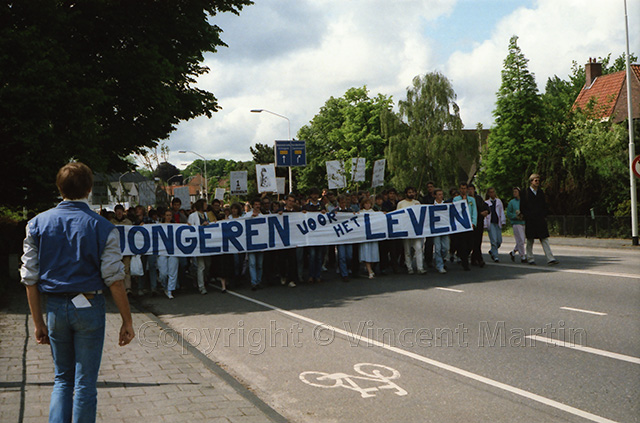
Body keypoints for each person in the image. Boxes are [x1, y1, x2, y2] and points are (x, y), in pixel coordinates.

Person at [20, 162, 134, 422]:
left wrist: (38, 322)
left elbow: (30, 278)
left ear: (59, 188)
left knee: (62, 379)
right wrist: (127, 320)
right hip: (90, 305)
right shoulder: (104, 228)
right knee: (85, 383)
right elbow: (114, 279)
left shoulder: (36, 224)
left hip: (56, 308)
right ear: (90, 189)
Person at [520, 174, 559, 265]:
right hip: (530, 220)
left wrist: (544, 214)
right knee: (530, 240)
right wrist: (527, 216)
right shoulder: (525, 193)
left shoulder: (540, 192)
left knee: (544, 239)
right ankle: (530, 258)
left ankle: (550, 258)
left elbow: (544, 205)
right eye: (535, 180)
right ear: (531, 181)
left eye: (538, 180)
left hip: (540, 219)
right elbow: (523, 207)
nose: (537, 182)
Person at [397, 186, 425, 274]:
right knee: (407, 250)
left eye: (412, 192)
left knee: (418, 248)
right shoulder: (401, 203)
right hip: (406, 229)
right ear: (406, 194)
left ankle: (420, 268)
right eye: (409, 192)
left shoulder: (417, 203)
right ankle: (409, 268)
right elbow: (397, 215)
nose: (411, 194)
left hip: (416, 230)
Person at [453, 182, 477, 271]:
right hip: (461, 225)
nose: (463, 190)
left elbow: (474, 211)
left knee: (470, 244)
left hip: (470, 224)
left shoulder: (471, 200)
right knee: (463, 244)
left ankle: (463, 256)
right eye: (462, 188)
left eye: (465, 188)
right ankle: (465, 263)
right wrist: (462, 200)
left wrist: (474, 222)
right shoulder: (456, 199)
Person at [110, 204, 134, 294]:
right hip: (115, 250)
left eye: (120, 211)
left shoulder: (128, 222)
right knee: (116, 269)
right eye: (117, 211)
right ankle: (119, 288)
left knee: (126, 269)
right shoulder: (111, 222)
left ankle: (128, 288)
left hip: (126, 250)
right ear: (115, 212)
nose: (119, 213)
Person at [187, 199, 210, 294]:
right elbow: (190, 229)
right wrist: (201, 226)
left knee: (208, 264)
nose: (206, 205)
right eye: (205, 204)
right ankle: (201, 286)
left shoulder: (206, 215)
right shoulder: (192, 216)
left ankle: (203, 279)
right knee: (201, 265)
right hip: (198, 244)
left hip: (207, 243)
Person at [158, 210, 179, 298]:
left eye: (170, 215)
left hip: (173, 251)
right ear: (164, 216)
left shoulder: (176, 226)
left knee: (173, 271)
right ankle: (164, 285)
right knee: (163, 273)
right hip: (162, 251)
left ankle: (170, 290)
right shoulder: (159, 226)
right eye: (167, 215)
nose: (168, 217)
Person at [245, 198, 265, 290]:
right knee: (252, 263)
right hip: (251, 243)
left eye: (258, 204)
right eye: (256, 204)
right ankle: (254, 282)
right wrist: (251, 217)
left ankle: (259, 280)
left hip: (260, 242)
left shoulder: (262, 216)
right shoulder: (247, 215)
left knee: (259, 264)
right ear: (253, 205)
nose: (257, 206)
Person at [358, 197, 380, 279]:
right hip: (365, 236)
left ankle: (370, 268)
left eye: (369, 203)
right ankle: (369, 271)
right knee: (366, 252)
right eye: (366, 203)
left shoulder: (374, 212)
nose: (367, 205)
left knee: (373, 252)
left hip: (373, 235)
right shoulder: (360, 213)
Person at [468, 184, 489, 267]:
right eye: (468, 189)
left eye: (471, 189)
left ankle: (476, 258)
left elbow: (485, 206)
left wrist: (486, 211)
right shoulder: (466, 199)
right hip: (471, 223)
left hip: (479, 223)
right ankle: (478, 259)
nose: (470, 191)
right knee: (472, 242)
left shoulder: (478, 198)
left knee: (478, 242)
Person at [335, 195, 355, 282]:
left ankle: (347, 267)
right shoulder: (335, 211)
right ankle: (344, 274)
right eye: (341, 202)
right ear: (339, 203)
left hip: (348, 236)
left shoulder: (350, 211)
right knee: (342, 256)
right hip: (340, 237)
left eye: (344, 202)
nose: (343, 204)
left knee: (349, 255)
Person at [484, 187, 506, 262]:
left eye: (493, 192)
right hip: (490, 222)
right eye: (490, 192)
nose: (492, 193)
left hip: (498, 222)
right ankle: (495, 256)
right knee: (493, 240)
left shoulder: (499, 201)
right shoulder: (486, 203)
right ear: (488, 194)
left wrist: (503, 221)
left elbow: (501, 211)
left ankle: (492, 250)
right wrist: (485, 224)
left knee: (499, 241)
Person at [431, 189, 451, 274]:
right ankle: (440, 266)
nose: (441, 196)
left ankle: (441, 260)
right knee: (438, 248)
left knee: (446, 248)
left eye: (442, 194)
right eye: (439, 194)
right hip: (436, 230)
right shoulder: (431, 206)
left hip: (444, 229)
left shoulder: (446, 205)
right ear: (435, 195)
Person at [506, 187, 527, 263]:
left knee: (522, 240)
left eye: (516, 192)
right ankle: (523, 256)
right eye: (513, 192)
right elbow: (509, 213)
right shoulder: (512, 202)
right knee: (521, 239)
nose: (514, 193)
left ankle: (513, 252)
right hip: (516, 223)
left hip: (523, 222)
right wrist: (515, 216)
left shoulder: (523, 201)